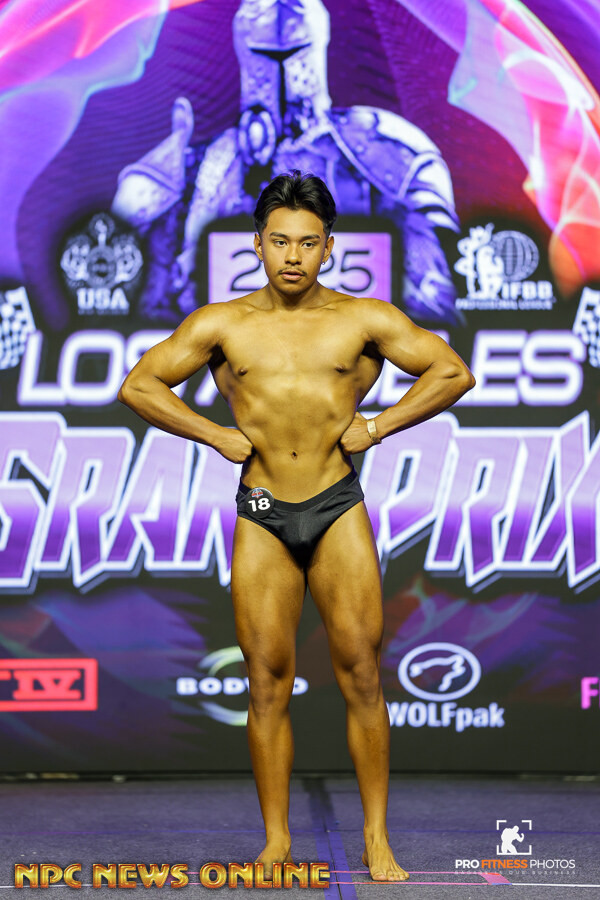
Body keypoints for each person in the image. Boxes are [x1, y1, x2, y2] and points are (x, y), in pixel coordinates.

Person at [118, 171, 475, 882]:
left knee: (362, 674)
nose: (292, 256)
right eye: (280, 241)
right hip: (262, 512)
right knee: (265, 681)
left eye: (308, 243)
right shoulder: (222, 324)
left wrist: (380, 424)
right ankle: (277, 841)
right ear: (257, 245)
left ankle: (376, 838)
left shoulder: (363, 319)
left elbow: (451, 372)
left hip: (336, 504)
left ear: (328, 248)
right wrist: (213, 434)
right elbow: (138, 384)